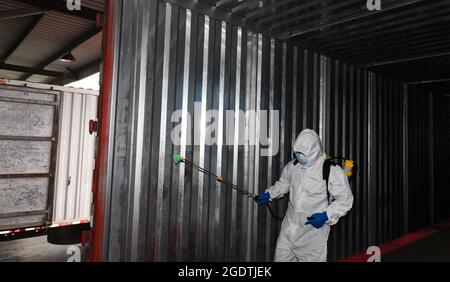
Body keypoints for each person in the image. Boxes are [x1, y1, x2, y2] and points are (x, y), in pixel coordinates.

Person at [256, 129, 353, 262]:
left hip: (312, 237)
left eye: (303, 154)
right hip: (288, 232)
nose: (300, 156)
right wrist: (270, 193)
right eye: (298, 153)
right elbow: (284, 184)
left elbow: (345, 200)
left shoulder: (331, 170)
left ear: (314, 151)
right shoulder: (293, 166)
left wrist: (326, 215)